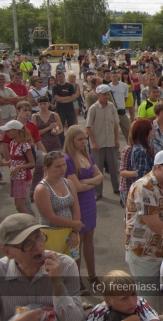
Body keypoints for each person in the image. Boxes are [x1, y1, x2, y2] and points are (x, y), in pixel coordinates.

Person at [126, 149, 163, 313]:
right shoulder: (145, 186)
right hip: (144, 253)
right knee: (149, 304)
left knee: (162, 303)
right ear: (158, 167)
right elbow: (154, 224)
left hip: (162, 251)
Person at [0, 213, 83, 321]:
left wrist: (57, 284)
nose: (37, 246)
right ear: (8, 252)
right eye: (27, 243)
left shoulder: (66, 266)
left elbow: (76, 319)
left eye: (39, 237)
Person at [64, 125, 104, 293]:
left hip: (89, 202)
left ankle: (92, 275)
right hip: (77, 204)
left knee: (89, 238)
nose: (83, 142)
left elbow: (100, 176)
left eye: (85, 139)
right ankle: (76, 278)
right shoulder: (67, 159)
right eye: (80, 139)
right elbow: (77, 187)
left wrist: (85, 183)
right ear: (71, 140)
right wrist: (90, 183)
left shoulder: (86, 155)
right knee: (76, 244)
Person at [34, 151, 83, 259]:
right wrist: (75, 224)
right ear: (47, 168)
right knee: (53, 268)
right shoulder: (41, 189)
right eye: (58, 166)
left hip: (70, 232)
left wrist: (74, 231)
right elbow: (51, 218)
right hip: (51, 235)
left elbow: (76, 208)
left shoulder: (68, 183)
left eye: (64, 164)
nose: (63, 169)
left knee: (71, 264)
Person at [86, 84, 120, 198]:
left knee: (114, 167)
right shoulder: (93, 108)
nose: (106, 96)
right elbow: (88, 127)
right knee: (97, 169)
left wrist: (116, 139)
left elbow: (116, 124)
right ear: (98, 95)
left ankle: (117, 188)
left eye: (108, 94)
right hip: (98, 143)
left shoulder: (111, 107)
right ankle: (97, 192)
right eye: (104, 94)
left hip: (110, 141)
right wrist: (93, 142)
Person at [86, 269, 159, 321]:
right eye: (124, 298)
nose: (132, 302)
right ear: (108, 301)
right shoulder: (99, 312)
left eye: (133, 294)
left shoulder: (140, 303)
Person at [0, 120, 36, 214]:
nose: (6, 133)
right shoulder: (12, 144)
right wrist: (3, 164)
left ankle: (32, 224)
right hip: (15, 177)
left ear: (16, 131)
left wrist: (18, 167)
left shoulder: (25, 145)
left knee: (20, 207)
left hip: (23, 178)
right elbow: (13, 161)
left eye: (8, 131)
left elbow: (32, 163)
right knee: (19, 206)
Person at [52, 71, 77, 141]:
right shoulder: (55, 87)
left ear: (64, 76)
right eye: (58, 77)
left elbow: (74, 96)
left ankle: (71, 141)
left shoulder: (70, 86)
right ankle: (62, 142)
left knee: (72, 126)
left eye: (61, 76)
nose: (60, 78)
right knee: (60, 126)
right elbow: (57, 99)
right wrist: (68, 97)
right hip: (60, 110)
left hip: (70, 109)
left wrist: (63, 100)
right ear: (56, 78)